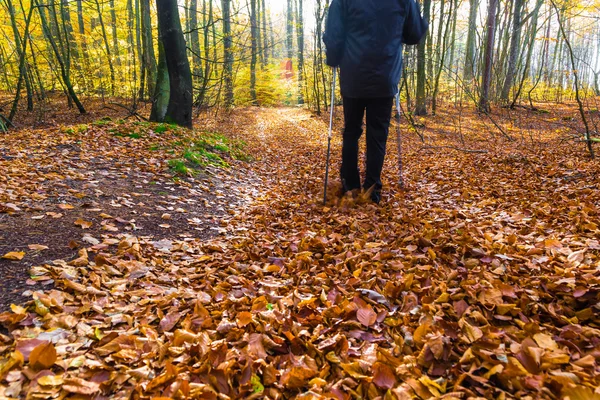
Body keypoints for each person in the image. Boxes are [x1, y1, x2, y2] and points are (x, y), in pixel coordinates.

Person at [324, 0, 428, 203]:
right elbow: (414, 34)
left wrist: (333, 58)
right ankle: (372, 189)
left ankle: (350, 184)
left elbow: (335, 35)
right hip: (385, 75)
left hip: (353, 75)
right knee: (377, 134)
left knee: (351, 131)